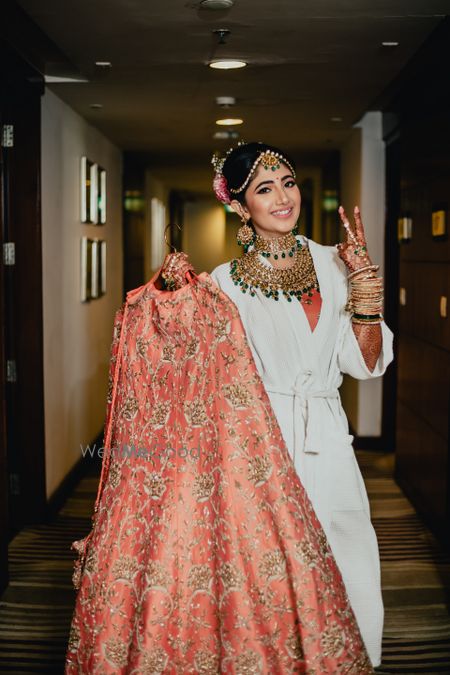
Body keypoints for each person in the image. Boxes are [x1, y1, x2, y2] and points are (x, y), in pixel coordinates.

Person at [209, 141, 394, 668]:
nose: (283, 197)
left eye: (287, 182)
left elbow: (366, 364)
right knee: (272, 564)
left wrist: (364, 293)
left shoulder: (337, 263)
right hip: (263, 443)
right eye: (264, 189)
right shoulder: (224, 284)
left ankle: (355, 658)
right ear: (241, 207)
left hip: (328, 436)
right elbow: (212, 378)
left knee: (348, 544)